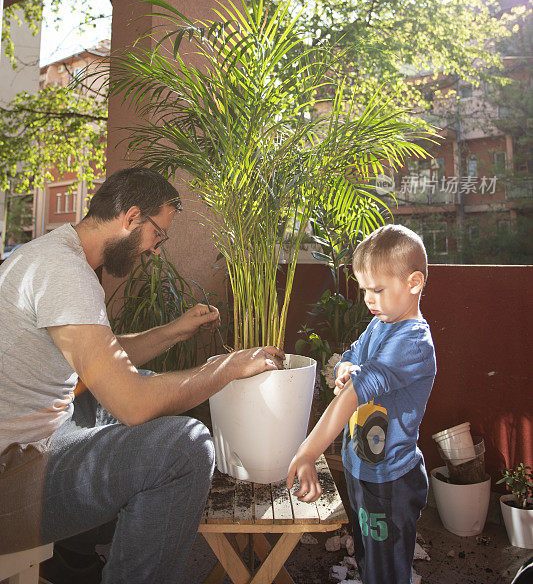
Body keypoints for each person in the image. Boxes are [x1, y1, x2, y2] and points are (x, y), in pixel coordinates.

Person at [0, 166, 283, 584]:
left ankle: (74, 562)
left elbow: (104, 358)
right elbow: (132, 403)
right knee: (185, 449)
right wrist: (224, 368)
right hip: (12, 481)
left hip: (32, 439)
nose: (155, 250)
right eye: (158, 235)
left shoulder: (51, 254)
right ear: (131, 218)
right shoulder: (65, 273)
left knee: (133, 385)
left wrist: (174, 330)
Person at [287, 224, 436, 584]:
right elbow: (354, 355)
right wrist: (344, 367)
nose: (369, 299)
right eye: (365, 289)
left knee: (387, 568)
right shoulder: (380, 324)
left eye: (378, 289)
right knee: (369, 553)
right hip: (363, 469)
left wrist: (308, 452)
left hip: (392, 480)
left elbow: (355, 394)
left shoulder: (413, 342)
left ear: (414, 283)